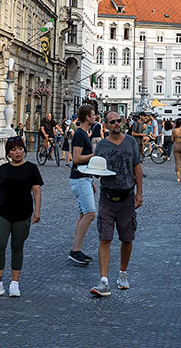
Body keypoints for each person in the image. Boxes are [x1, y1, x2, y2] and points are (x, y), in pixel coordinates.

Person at [85, 111, 144, 297]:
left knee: (127, 238)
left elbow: (137, 166)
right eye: (113, 122)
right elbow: (95, 170)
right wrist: (94, 174)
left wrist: (140, 193)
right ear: (106, 125)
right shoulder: (101, 145)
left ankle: (122, 274)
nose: (117, 124)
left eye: (119, 121)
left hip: (127, 196)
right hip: (107, 196)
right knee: (105, 237)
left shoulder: (131, 142)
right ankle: (104, 281)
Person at [0, 137, 43, 299]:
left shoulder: (31, 168)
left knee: (17, 247)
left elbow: (36, 191)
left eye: (20, 149)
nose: (18, 152)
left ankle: (14, 283)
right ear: (8, 153)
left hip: (22, 214)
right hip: (3, 213)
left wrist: (37, 211)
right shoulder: (3, 169)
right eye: (14, 149)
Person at [67, 104, 97, 266]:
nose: (95, 117)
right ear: (87, 117)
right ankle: (76, 250)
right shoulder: (79, 134)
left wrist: (91, 180)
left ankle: (76, 249)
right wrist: (95, 154)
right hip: (79, 178)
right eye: (93, 114)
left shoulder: (84, 133)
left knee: (82, 214)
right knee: (90, 214)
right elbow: (77, 159)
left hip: (83, 178)